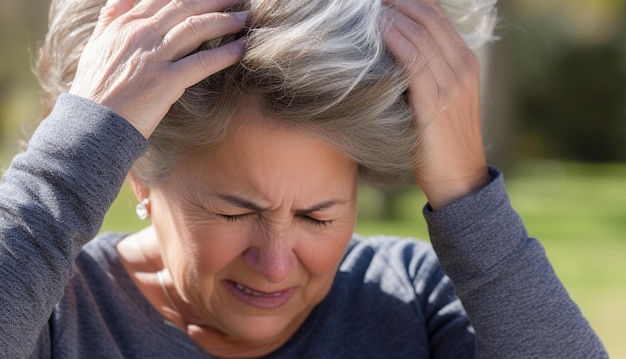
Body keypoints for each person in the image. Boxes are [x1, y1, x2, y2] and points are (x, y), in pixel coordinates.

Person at [0, 0, 607, 357]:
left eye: (318, 215)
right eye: (237, 213)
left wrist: (467, 192)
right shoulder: (55, 318)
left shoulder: (414, 304)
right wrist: (70, 163)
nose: (277, 264)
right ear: (137, 177)